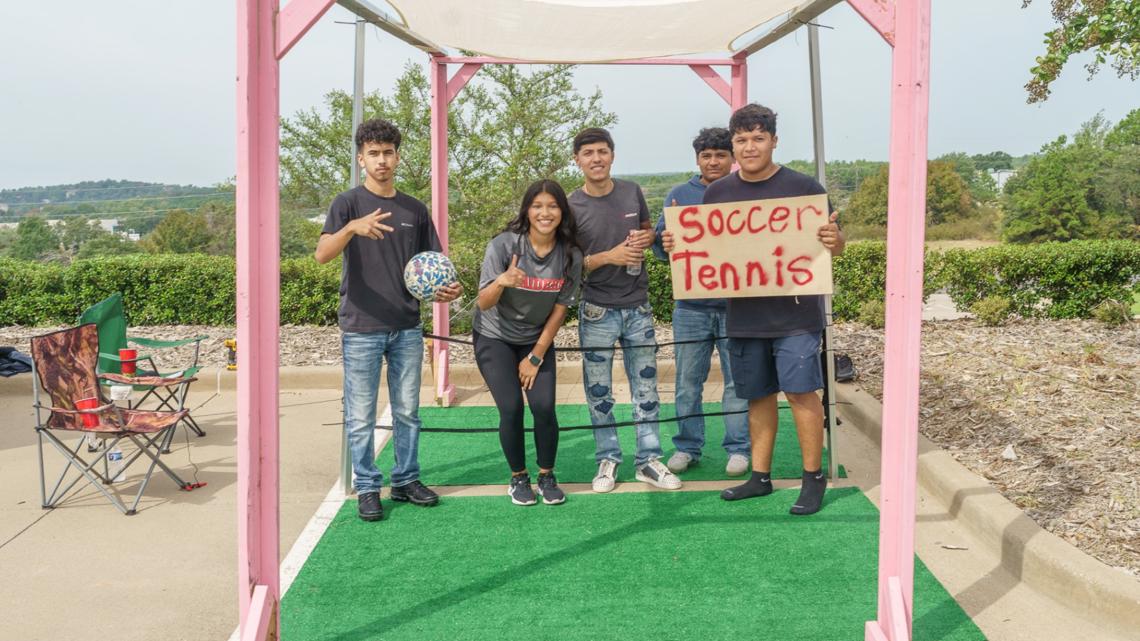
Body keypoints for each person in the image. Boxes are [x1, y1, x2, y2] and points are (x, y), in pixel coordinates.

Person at [663, 104, 844, 515]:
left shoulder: (804, 188)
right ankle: (759, 477)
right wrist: (680, 246)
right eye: (741, 140)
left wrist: (835, 239)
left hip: (797, 315)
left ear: (774, 141)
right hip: (744, 316)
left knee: (801, 393)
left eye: (758, 138)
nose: (749, 147)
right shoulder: (719, 193)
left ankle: (812, 477)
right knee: (757, 395)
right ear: (733, 144)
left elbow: (833, 246)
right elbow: (708, 250)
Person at [315, 118, 463, 522]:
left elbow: (435, 266)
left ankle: (405, 480)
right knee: (361, 414)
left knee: (408, 411)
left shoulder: (414, 209)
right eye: (374, 154)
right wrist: (352, 228)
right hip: (361, 326)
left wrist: (451, 290)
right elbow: (323, 254)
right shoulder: (347, 204)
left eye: (388, 153)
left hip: (406, 327)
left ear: (398, 157)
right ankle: (367, 487)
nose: (382, 160)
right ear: (361, 158)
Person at [570, 127, 682, 493]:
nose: (596, 158)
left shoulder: (633, 191)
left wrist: (647, 238)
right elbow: (568, 264)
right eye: (588, 153)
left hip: (638, 307)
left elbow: (649, 231)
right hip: (596, 310)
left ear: (612, 155)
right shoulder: (571, 205)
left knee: (646, 388)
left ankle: (648, 460)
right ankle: (608, 457)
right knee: (599, 391)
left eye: (602, 151)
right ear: (578, 160)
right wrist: (609, 257)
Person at [474, 179, 583, 506]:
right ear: (527, 211)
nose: (545, 213)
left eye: (552, 206)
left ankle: (547, 475)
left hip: (535, 340)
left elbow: (560, 310)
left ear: (562, 212)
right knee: (511, 408)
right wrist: (503, 281)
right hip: (494, 336)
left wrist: (535, 356)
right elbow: (483, 302)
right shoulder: (504, 246)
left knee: (544, 408)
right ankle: (518, 478)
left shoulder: (571, 256)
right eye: (537, 206)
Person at [651, 127, 751, 477]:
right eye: (706, 155)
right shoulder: (679, 194)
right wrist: (665, 243)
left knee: (738, 381)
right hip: (691, 307)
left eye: (720, 155)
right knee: (687, 381)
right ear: (697, 159)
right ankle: (687, 447)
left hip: (738, 305)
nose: (713, 161)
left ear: (732, 159)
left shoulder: (746, 191)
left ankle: (738, 449)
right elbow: (662, 253)